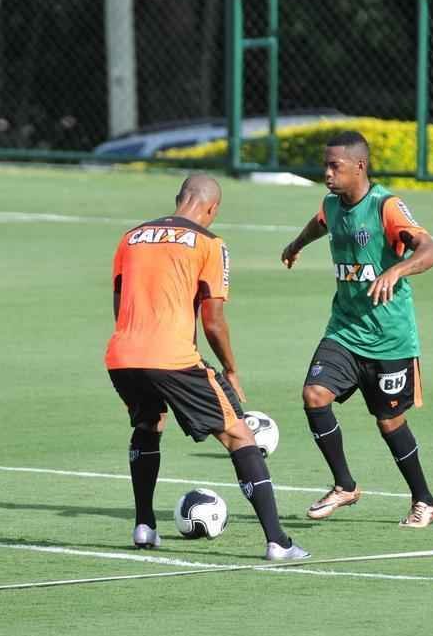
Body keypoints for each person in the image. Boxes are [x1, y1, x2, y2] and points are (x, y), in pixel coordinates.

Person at [105, 174, 308, 561]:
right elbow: (213, 322)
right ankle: (277, 542)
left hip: (123, 355)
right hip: (172, 357)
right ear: (212, 208)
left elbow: (120, 303)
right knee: (239, 435)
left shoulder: (130, 237)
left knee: (149, 424)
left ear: (179, 198)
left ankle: (145, 526)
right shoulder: (210, 243)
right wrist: (230, 369)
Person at [281, 131, 433, 528]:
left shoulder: (386, 206)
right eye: (325, 165)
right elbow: (320, 223)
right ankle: (344, 485)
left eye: (335, 166)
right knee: (314, 395)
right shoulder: (331, 205)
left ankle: (424, 499)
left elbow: (431, 250)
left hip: (390, 338)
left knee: (390, 422)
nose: (327, 174)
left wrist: (397, 269)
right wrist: (296, 244)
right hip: (345, 330)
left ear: (360, 166)